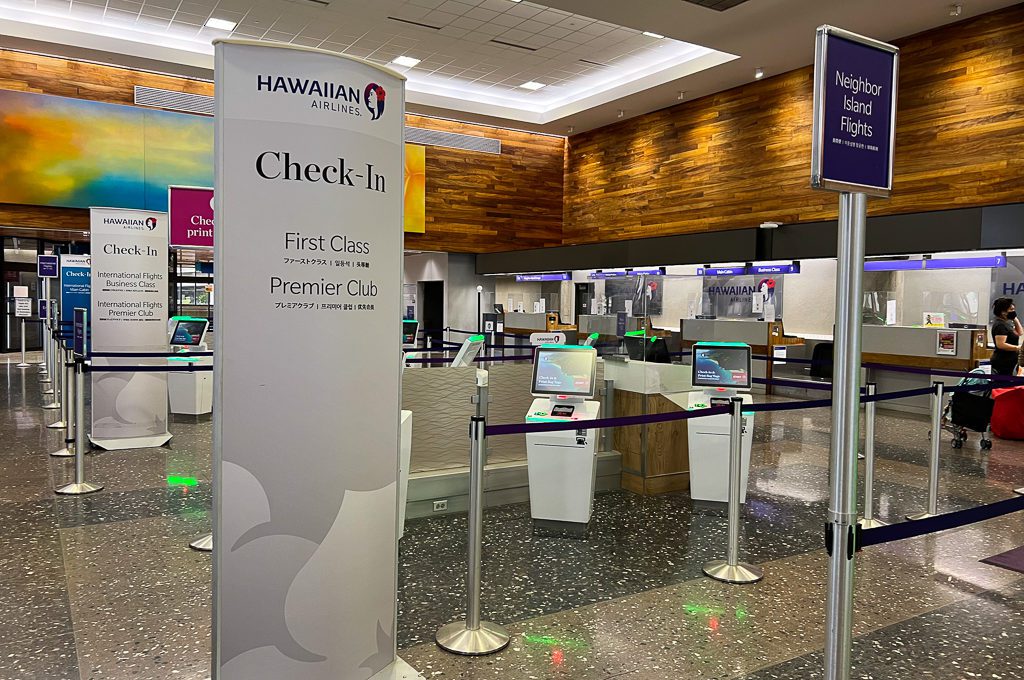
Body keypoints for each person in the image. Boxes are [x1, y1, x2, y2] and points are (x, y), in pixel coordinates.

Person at [990, 297, 1022, 376]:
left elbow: (1020, 332)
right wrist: (1017, 348)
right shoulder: (1000, 325)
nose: (1013, 311)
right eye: (1011, 309)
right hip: (1003, 362)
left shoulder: (1007, 323)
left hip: (1011, 361)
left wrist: (1015, 319)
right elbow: (1000, 344)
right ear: (1003, 312)